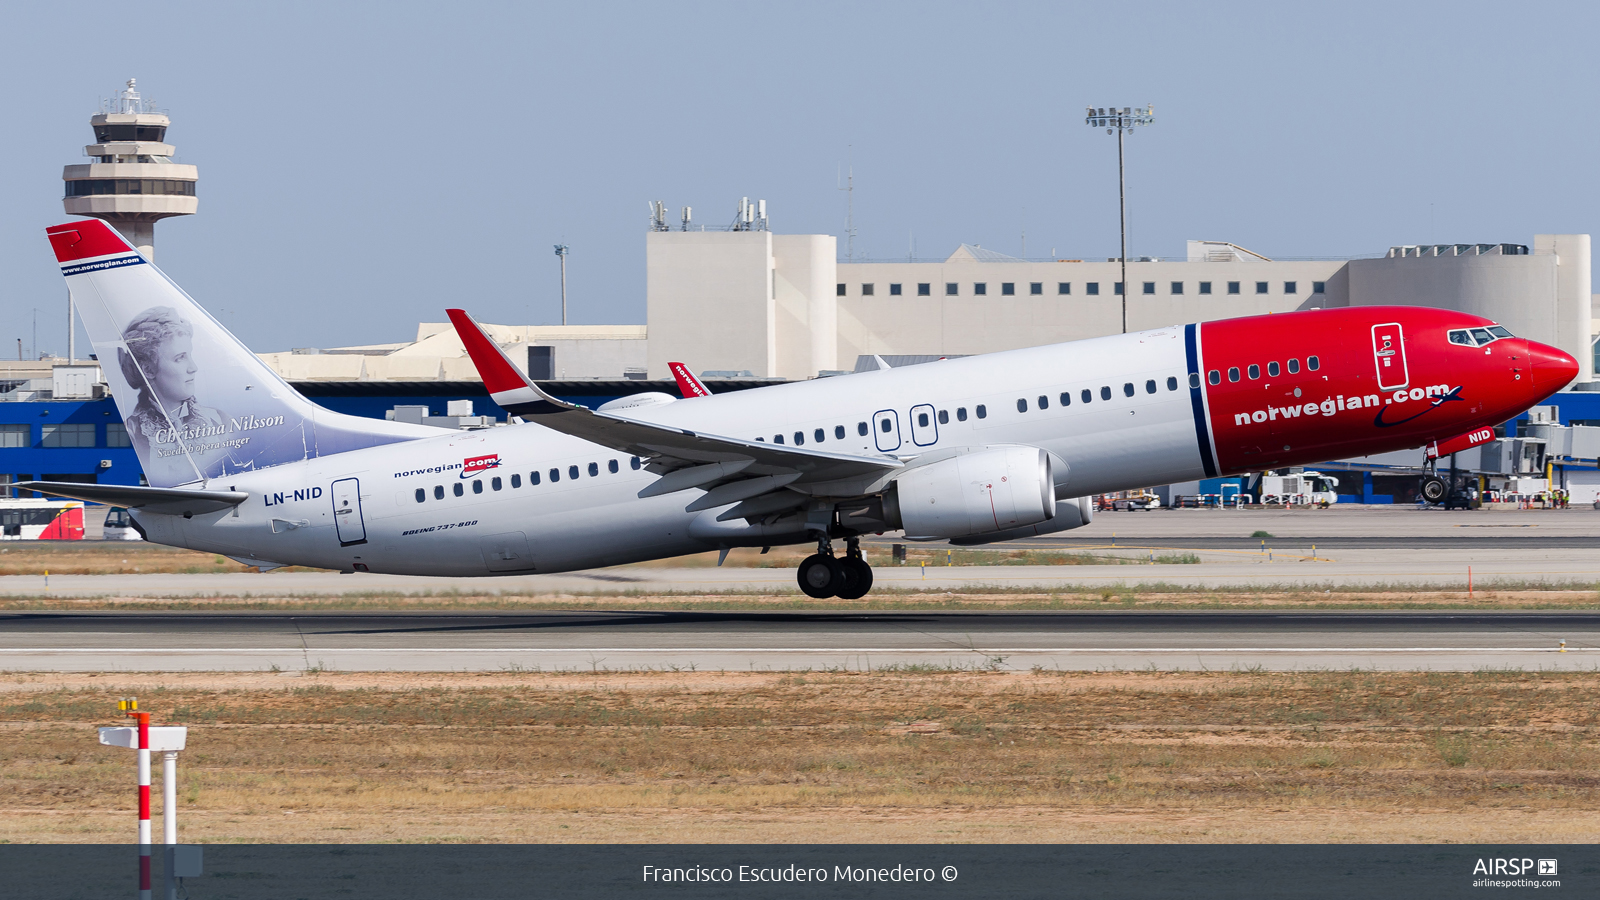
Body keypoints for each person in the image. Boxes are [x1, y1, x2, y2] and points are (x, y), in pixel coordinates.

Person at [118, 306, 226, 483]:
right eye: (180, 358)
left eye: (189, 356)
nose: (193, 368)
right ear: (148, 369)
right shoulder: (134, 430)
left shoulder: (218, 420)